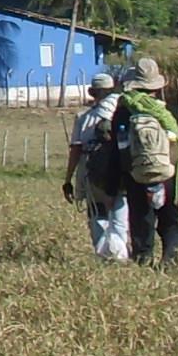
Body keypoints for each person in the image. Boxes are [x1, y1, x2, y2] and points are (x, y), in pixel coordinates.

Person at [116, 56, 178, 265]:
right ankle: (170, 259)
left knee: (140, 223)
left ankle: (143, 262)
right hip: (169, 176)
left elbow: (118, 151)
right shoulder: (169, 112)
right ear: (157, 86)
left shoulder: (123, 111)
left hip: (136, 176)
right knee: (171, 222)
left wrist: (115, 185)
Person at [62, 71, 128, 261]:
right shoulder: (124, 111)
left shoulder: (85, 118)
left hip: (94, 175)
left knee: (98, 215)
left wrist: (68, 180)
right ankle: (121, 255)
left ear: (93, 92)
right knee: (120, 215)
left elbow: (75, 150)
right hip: (123, 174)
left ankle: (104, 255)